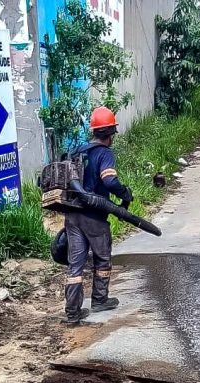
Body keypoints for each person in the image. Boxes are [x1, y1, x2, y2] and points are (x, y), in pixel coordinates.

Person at [64, 106, 133, 324]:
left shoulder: (79, 151)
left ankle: (72, 312)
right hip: (94, 216)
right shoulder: (104, 153)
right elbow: (109, 181)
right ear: (111, 134)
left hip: (72, 215)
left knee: (75, 265)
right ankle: (100, 300)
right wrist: (125, 194)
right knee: (102, 258)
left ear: (94, 131)